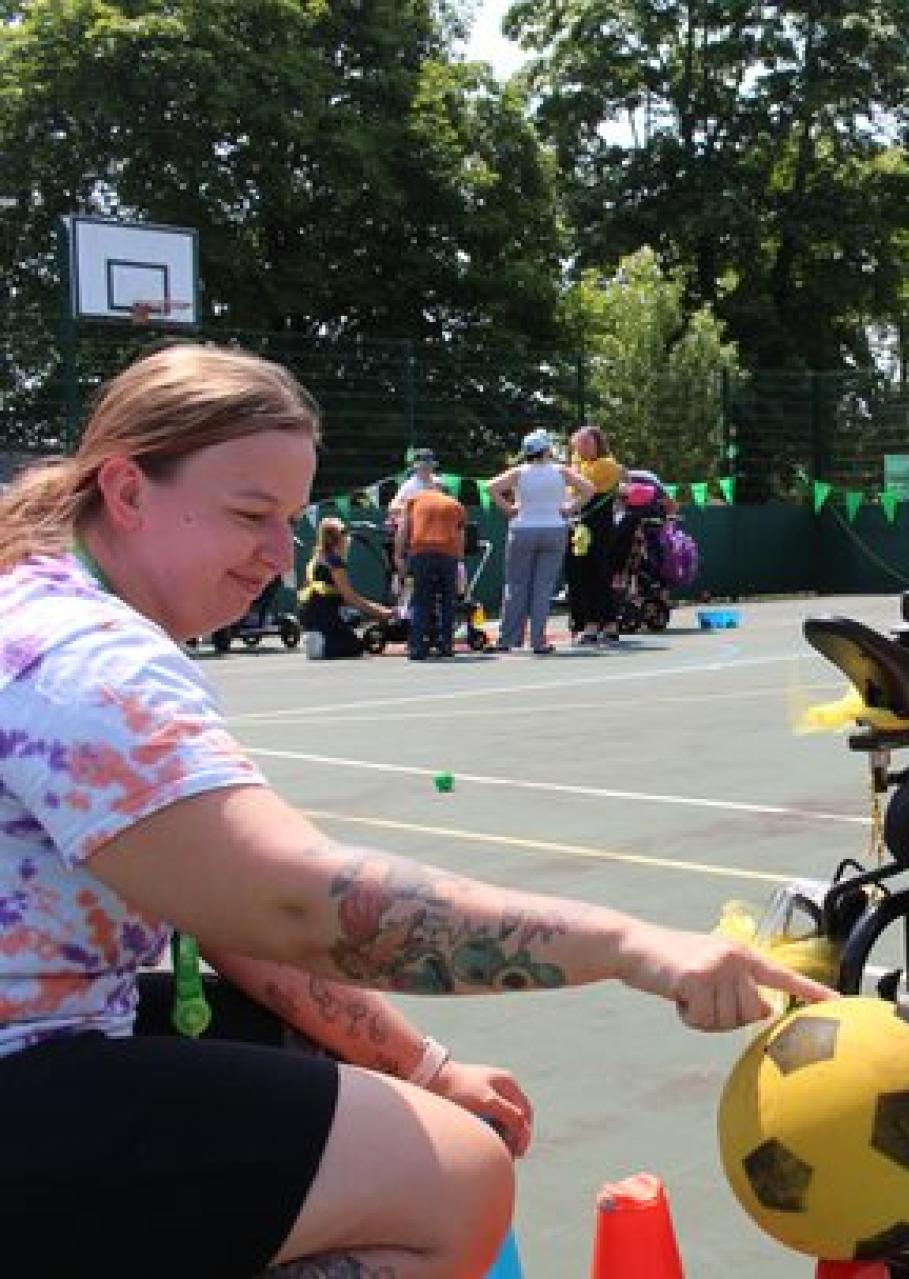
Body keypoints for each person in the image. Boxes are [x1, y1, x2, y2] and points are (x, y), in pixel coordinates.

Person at [0, 344, 833, 1278]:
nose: (277, 555)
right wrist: (629, 944)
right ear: (126, 489)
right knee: (456, 1178)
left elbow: (234, 923)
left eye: (290, 519)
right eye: (248, 514)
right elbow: (295, 902)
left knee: (306, 1058)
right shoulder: (85, 656)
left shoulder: (42, 605)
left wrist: (426, 1067)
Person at [486, 430, 593, 654]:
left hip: (523, 528)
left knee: (516, 586)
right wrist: (569, 508)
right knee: (542, 587)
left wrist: (509, 509)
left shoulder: (519, 472)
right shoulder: (560, 471)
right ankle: (538, 641)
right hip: (554, 528)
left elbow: (491, 487)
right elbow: (588, 490)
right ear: (547, 450)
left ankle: (507, 639)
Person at [298, 515, 393, 659]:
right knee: (356, 648)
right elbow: (350, 598)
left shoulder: (317, 558)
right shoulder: (334, 562)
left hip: (311, 615)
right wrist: (382, 612)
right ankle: (322, 645)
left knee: (353, 622)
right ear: (342, 539)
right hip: (323, 616)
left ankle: (318, 641)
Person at [395, 476, 466, 660]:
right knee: (447, 600)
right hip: (447, 552)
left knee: (420, 599)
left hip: (421, 551)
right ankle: (446, 645)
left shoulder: (414, 500)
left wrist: (399, 555)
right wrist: (459, 560)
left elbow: (403, 529)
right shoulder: (456, 505)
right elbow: (460, 536)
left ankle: (417, 647)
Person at [564, 425, 623, 645]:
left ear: (598, 443)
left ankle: (599, 623)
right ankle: (597, 623)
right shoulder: (578, 465)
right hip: (578, 528)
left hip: (599, 529)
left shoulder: (606, 465)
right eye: (578, 444)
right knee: (579, 575)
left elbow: (580, 486)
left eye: (586, 443)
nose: (581, 448)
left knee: (597, 574)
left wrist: (572, 469)